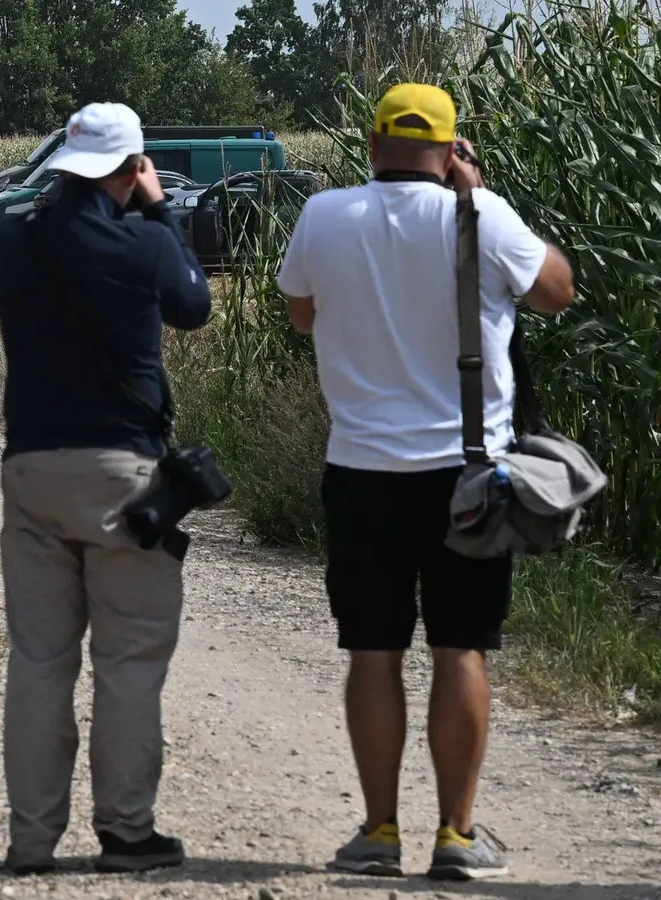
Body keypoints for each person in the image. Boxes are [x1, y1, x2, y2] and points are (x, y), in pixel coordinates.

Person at [275, 83, 575, 881]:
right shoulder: (481, 216)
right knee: (460, 646)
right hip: (469, 476)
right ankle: (457, 836)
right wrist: (478, 195)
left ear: (373, 146)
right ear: (449, 152)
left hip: (361, 469)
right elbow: (557, 291)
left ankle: (378, 832)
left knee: (372, 650)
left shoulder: (324, 215)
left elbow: (302, 314)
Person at [0, 102, 212, 876]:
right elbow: (193, 305)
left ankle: (30, 841)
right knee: (128, 664)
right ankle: (125, 832)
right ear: (131, 168)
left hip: (32, 464)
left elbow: (34, 221)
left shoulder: (11, 241)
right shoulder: (144, 243)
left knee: (39, 661)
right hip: (123, 471)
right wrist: (160, 210)